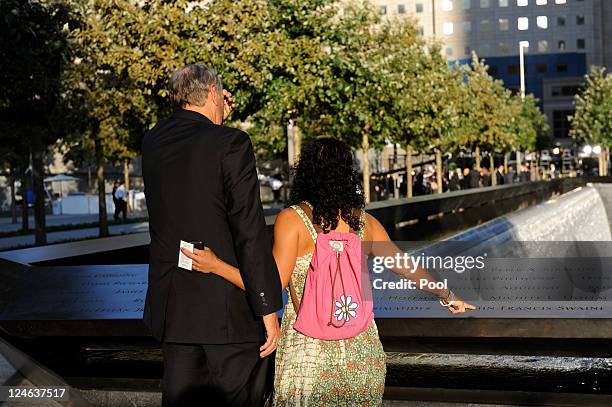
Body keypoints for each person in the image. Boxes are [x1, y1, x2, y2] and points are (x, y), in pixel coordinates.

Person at [183, 138, 475, 405]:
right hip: (362, 355)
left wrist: (216, 266)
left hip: (309, 356)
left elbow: (271, 286)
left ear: (306, 172)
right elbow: (405, 266)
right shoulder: (364, 223)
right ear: (347, 174)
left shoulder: (293, 221)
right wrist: (447, 294)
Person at [141, 64, 282, 407]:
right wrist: (268, 310)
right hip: (227, 319)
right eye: (220, 95)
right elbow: (249, 230)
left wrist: (214, 114)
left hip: (174, 314)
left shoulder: (153, 141)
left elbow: (195, 151)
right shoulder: (231, 143)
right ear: (213, 94)